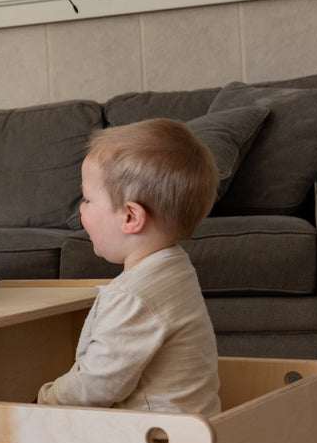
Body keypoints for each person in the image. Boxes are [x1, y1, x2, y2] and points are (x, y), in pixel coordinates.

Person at [36, 118, 221, 415]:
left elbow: (96, 385)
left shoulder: (132, 297)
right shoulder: (177, 269)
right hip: (190, 432)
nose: (81, 210)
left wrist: (43, 402)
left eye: (87, 199)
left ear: (130, 217)